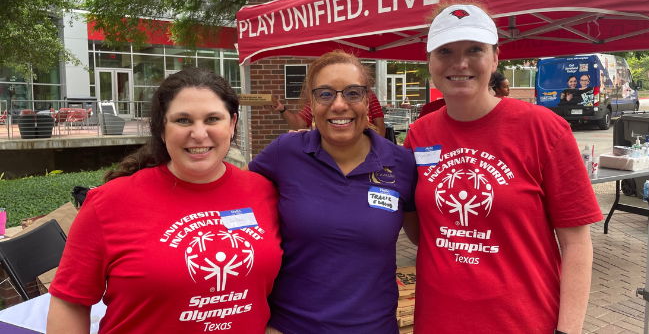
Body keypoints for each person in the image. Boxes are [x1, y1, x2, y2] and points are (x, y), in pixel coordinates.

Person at [404, 3, 602, 333]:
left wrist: (568, 331)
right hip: (438, 321)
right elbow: (419, 229)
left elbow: (577, 245)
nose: (460, 63)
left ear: (495, 58)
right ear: (430, 63)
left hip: (523, 322)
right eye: (445, 51)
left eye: (474, 50)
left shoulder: (544, 129)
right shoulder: (419, 134)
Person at [47, 68, 283, 334]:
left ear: (232, 123)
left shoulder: (265, 192)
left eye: (212, 119)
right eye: (183, 120)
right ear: (161, 129)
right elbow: (71, 303)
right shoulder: (109, 203)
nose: (199, 133)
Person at [249, 50, 418, 333]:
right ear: (312, 103)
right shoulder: (285, 152)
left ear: (367, 100)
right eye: (325, 94)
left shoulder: (401, 163)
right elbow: (232, 192)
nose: (339, 105)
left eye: (352, 93)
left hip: (374, 327)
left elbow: (428, 238)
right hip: (291, 326)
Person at [266, 89, 386, 137]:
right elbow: (299, 124)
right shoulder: (321, 97)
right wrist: (282, 108)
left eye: (353, 94)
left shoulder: (366, 93)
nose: (339, 106)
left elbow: (380, 129)